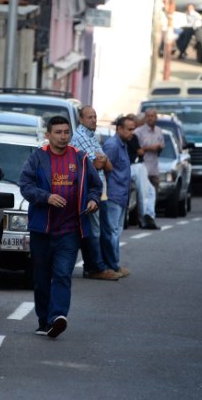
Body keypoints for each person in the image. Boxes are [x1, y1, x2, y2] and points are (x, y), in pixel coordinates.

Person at [19, 116, 102, 338]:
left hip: (70, 230)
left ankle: (58, 317)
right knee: (42, 278)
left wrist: (93, 200)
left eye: (66, 132)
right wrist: (46, 197)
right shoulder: (37, 159)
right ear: (48, 135)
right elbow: (25, 186)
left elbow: (96, 185)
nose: (63, 136)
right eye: (58, 132)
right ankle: (44, 320)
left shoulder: (81, 159)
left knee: (63, 274)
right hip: (42, 230)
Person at [69, 106, 120, 281]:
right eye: (90, 117)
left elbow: (108, 165)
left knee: (98, 230)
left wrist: (102, 160)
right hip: (88, 191)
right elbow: (96, 165)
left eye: (95, 117)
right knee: (94, 230)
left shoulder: (92, 137)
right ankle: (95, 268)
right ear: (81, 120)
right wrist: (101, 160)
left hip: (99, 190)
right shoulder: (79, 137)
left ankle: (99, 266)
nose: (94, 120)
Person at [100, 116, 136, 278]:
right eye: (129, 129)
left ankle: (114, 265)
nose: (132, 133)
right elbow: (104, 169)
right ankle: (111, 265)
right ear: (119, 129)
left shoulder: (123, 146)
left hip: (121, 195)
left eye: (133, 129)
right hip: (113, 195)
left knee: (116, 231)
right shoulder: (112, 145)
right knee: (111, 232)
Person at [125, 114, 159, 230]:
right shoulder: (131, 137)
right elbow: (140, 152)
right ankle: (144, 218)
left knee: (150, 191)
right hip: (135, 166)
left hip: (136, 166)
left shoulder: (131, 136)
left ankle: (149, 216)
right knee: (144, 192)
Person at [134, 108, 165, 202]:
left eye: (152, 116)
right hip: (143, 168)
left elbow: (162, 145)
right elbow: (136, 149)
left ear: (156, 118)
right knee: (142, 196)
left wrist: (159, 147)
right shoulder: (138, 132)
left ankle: (150, 215)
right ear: (145, 118)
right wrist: (150, 148)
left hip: (154, 169)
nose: (150, 118)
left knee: (153, 195)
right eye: (148, 116)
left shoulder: (159, 130)